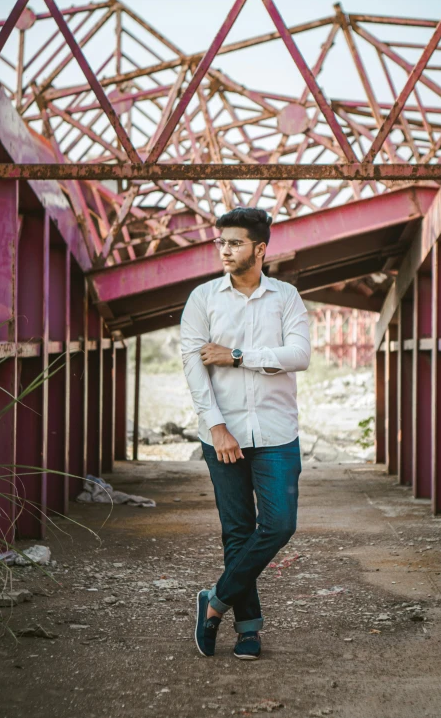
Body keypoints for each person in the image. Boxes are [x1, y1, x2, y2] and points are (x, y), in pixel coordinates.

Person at [180, 207, 311, 660]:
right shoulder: (203, 298)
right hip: (224, 431)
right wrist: (216, 427)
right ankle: (248, 629)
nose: (224, 250)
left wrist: (238, 356)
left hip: (276, 431)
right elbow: (194, 367)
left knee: (279, 524)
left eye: (234, 243)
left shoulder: (286, 297)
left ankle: (214, 601)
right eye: (221, 242)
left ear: (260, 248)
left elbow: (298, 355)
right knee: (237, 531)